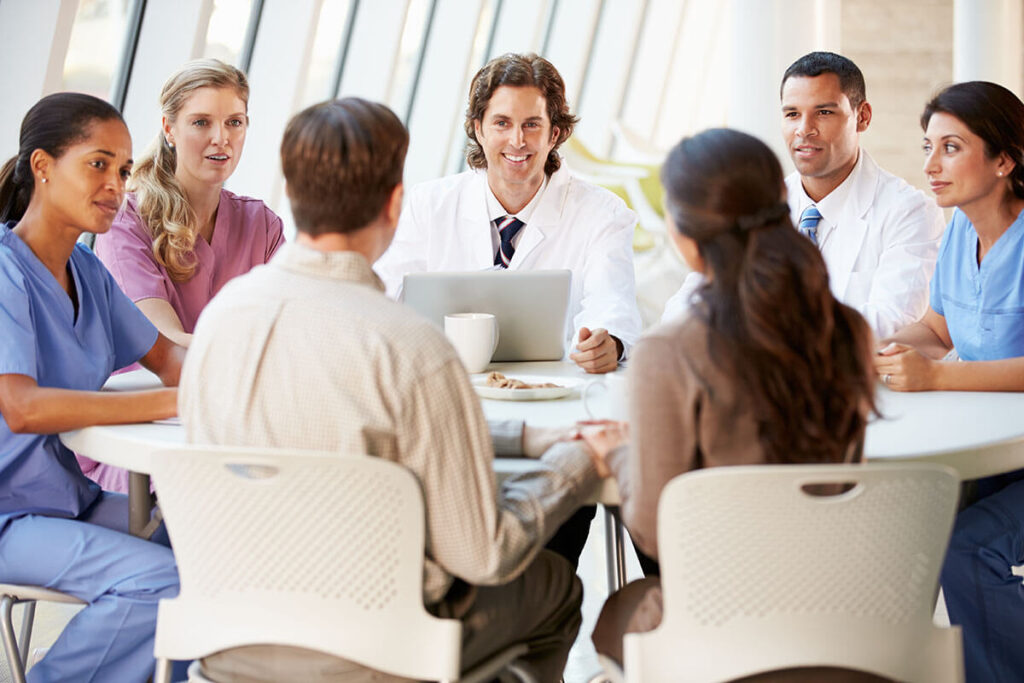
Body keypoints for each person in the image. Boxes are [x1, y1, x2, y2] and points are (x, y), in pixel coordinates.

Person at [178, 97, 602, 683]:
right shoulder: (412, 348)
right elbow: (484, 553)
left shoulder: (222, 321)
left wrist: (525, 436)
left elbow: (343, 426)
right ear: (394, 203)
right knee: (555, 587)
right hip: (380, 651)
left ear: (292, 191)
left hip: (231, 641)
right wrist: (576, 463)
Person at [583, 128, 876, 671]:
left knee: (620, 611)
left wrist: (619, 452)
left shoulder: (671, 352)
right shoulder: (845, 330)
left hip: (722, 621)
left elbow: (651, 525)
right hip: (838, 610)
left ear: (686, 233)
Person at [0, 93, 188, 682]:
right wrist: (171, 402)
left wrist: (262, 365)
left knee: (214, 554)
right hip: (9, 517)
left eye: (125, 170)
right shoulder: (5, 271)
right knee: (161, 583)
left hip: (64, 502)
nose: (116, 184)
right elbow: (21, 408)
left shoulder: (87, 272)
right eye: (99, 163)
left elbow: (173, 360)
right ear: (42, 166)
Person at [875, 81, 1024, 683]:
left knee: (966, 547)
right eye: (928, 147)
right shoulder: (962, 229)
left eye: (952, 148)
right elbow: (937, 327)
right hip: (997, 453)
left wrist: (937, 379)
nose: (931, 166)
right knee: (901, 524)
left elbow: (940, 362)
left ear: (1005, 160)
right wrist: (865, 348)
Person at [83, 58, 284, 493]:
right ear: (169, 129)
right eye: (201, 122)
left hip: (235, 422)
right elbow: (166, 342)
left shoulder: (261, 224)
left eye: (235, 122)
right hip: (146, 431)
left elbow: (294, 329)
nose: (221, 138)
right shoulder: (127, 222)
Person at [374, 52, 641, 375]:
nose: (517, 141)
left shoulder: (603, 213)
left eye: (531, 125)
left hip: (555, 386)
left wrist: (607, 342)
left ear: (554, 134)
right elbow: (385, 299)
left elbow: (612, 304)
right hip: (447, 380)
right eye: (502, 123)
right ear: (479, 130)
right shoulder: (428, 204)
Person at [662, 51, 944, 340]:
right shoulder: (757, 202)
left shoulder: (910, 212)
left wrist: (758, 332)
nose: (804, 130)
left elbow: (891, 323)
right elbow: (685, 306)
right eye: (792, 114)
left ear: (863, 117)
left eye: (824, 112)